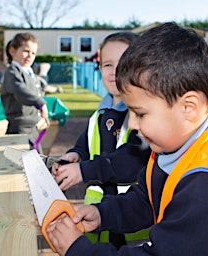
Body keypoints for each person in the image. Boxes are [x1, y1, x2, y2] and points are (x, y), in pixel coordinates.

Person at [46, 22, 208, 256]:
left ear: (189, 108)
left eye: (140, 113)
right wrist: (104, 214)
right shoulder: (180, 141)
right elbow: (147, 199)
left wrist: (78, 250)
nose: (133, 125)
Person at [51, 31, 151, 248]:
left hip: (132, 218)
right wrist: (76, 155)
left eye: (123, 63)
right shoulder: (100, 114)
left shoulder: (143, 114)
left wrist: (84, 171)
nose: (115, 71)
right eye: (107, 64)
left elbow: (130, 162)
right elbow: (86, 144)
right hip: (102, 211)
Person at [0, 33, 48, 153]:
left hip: (32, 128)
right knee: (22, 166)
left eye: (33, 53)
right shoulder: (12, 72)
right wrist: (40, 103)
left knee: (38, 163)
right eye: (26, 51)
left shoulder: (29, 73)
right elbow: (20, 90)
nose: (29, 56)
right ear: (12, 51)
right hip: (19, 128)